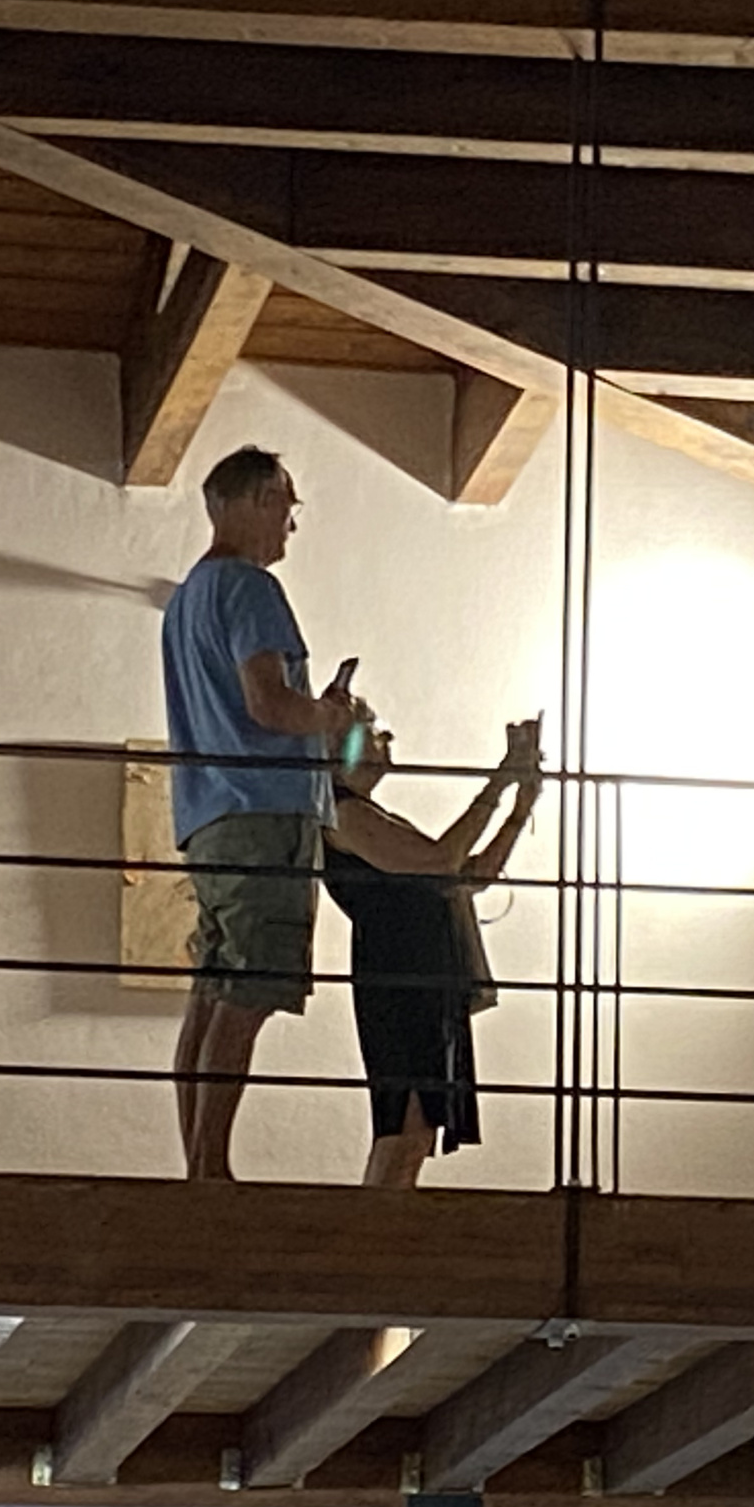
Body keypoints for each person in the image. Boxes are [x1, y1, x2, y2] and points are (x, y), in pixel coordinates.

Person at [161, 445, 357, 1181]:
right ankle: (211, 1171)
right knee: (247, 995)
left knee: (214, 991)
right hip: (263, 814)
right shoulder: (249, 588)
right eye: (283, 504)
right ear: (248, 502)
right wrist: (330, 717)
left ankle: (199, 1165)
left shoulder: (186, 600)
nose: (289, 524)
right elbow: (268, 704)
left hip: (208, 817)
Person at [323, 710, 543, 1188]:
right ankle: (375, 1227)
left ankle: (386, 1222)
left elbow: (469, 875)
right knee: (405, 1124)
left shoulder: (370, 814)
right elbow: (439, 860)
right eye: (372, 730)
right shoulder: (344, 813)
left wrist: (519, 809)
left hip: (425, 977)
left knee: (417, 1129)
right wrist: (499, 782)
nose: (387, 736)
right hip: (401, 979)